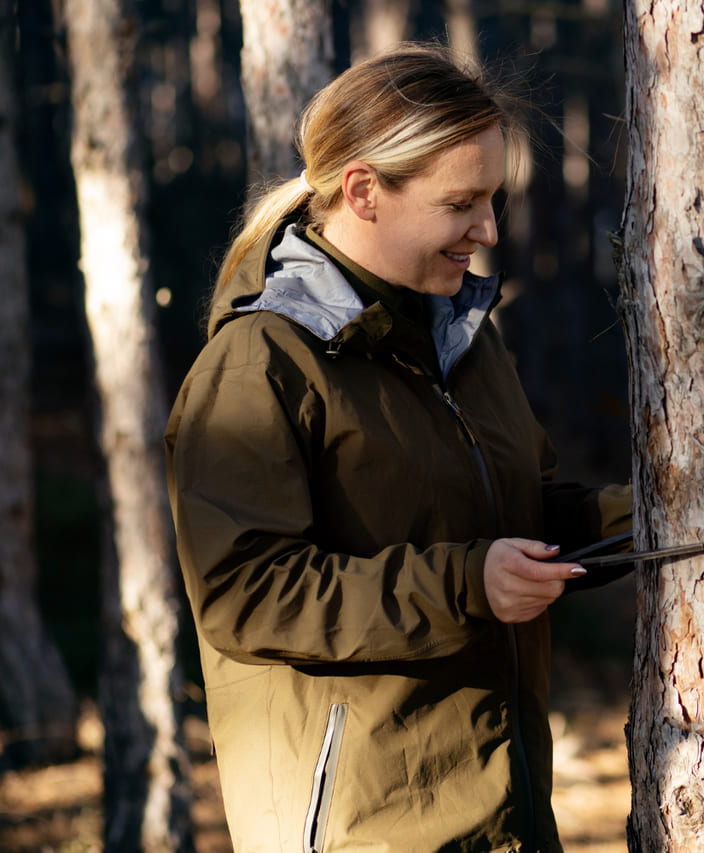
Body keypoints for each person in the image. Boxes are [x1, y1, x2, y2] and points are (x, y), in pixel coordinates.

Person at [164, 42, 631, 853]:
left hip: (501, 814)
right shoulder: (261, 363)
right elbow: (248, 591)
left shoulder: (465, 344)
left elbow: (527, 513)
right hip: (366, 830)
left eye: (492, 201)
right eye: (462, 204)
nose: (487, 230)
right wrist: (466, 584)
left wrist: (659, 513)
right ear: (363, 191)